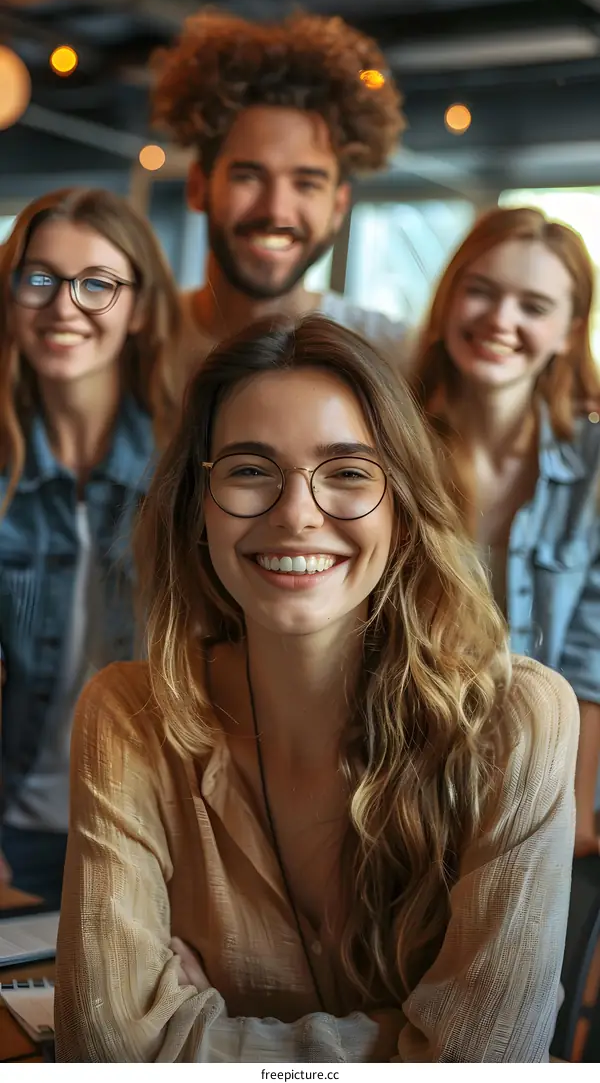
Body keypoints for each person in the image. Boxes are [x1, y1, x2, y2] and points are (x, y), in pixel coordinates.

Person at [55, 315, 578, 1062]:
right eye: (248, 469)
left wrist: (191, 1033)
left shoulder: (520, 721)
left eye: (348, 472)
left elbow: (481, 1063)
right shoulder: (128, 717)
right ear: (195, 509)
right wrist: (400, 1040)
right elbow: (105, 1051)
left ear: (402, 510)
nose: (297, 513)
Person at [0, 187, 180, 909]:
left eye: (96, 284)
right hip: (12, 834)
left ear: (138, 310)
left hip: (148, 838)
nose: (63, 306)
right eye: (38, 278)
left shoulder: (183, 471)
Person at [412, 205, 600, 859]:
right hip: (403, 786)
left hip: (539, 788)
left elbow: (591, 660)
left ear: (569, 332)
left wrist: (568, 809)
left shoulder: (594, 467)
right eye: (482, 291)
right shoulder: (390, 443)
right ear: (448, 298)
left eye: (533, 305)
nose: (501, 320)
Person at [151, 9, 409, 414]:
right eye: (249, 176)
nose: (276, 210)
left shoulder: (394, 355)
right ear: (199, 187)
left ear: (339, 207)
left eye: (306, 183)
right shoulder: (135, 340)